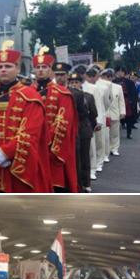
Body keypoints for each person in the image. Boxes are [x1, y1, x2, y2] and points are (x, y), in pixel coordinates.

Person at [0, 41, 51, 192]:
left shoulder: (30, 96)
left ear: (17, 69)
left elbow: (30, 133)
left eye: (8, 66)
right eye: (0, 67)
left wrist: (4, 153)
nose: (3, 70)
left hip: (19, 162)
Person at [33, 48, 79, 192]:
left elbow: (63, 124)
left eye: (44, 67)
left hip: (53, 149)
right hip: (32, 149)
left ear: (50, 71)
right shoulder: (28, 92)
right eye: (38, 67)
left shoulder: (62, 93)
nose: (41, 70)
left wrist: (45, 142)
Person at [67, 71, 98, 192]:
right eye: (72, 82)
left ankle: (86, 183)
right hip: (71, 130)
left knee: (84, 157)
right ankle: (74, 182)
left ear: (81, 83)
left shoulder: (88, 96)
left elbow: (93, 114)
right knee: (73, 157)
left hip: (83, 128)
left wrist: (89, 126)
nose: (74, 84)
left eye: (77, 82)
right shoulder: (66, 95)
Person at [100, 69, 126, 157]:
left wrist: (122, 111)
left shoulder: (118, 87)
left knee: (115, 133)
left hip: (115, 112)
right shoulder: (99, 87)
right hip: (104, 113)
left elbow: (121, 101)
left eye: (110, 77)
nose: (108, 78)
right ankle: (105, 151)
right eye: (106, 76)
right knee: (105, 134)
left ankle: (114, 148)